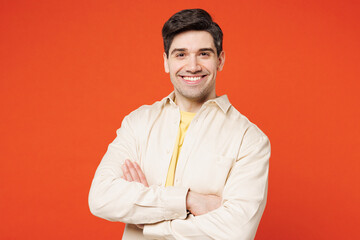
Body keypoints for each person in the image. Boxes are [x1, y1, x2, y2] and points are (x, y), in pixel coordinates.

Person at [89, 8, 270, 240]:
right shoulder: (138, 123)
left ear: (220, 60)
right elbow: (101, 198)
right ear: (166, 62)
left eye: (204, 54)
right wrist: (188, 200)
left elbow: (236, 231)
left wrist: (147, 222)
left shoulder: (250, 139)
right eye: (180, 54)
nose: (192, 66)